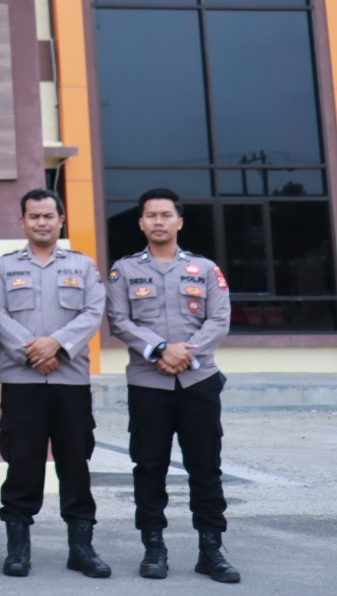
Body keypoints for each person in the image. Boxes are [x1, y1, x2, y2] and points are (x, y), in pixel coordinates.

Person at [106, 188, 238, 583]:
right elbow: (119, 321)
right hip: (148, 384)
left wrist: (184, 354)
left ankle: (211, 550)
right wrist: (161, 349)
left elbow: (219, 320)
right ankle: (154, 548)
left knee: (205, 466)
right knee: (149, 467)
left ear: (179, 221)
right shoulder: (124, 271)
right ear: (141, 223)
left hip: (199, 380)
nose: (159, 221)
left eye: (166, 215)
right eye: (151, 215)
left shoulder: (204, 269)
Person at [0, 188, 110, 578]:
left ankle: (81, 548)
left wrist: (56, 345)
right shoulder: (4, 268)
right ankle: (18, 549)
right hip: (21, 381)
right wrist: (33, 353)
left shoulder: (83, 266)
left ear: (61, 221)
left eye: (48, 216)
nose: (41, 222)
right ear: (22, 221)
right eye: (34, 216)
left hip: (69, 380)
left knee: (75, 463)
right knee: (22, 464)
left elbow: (93, 311)